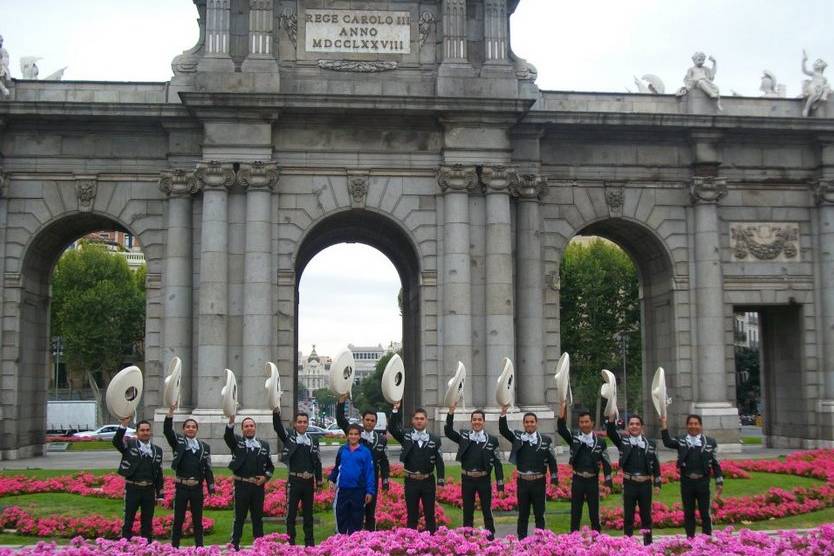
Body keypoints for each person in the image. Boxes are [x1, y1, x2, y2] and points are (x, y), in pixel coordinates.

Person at [445, 403, 504, 539]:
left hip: (484, 480)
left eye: (479, 419)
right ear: (471, 421)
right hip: (467, 480)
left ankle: (490, 538)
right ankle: (467, 538)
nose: (477, 422)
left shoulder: (492, 440)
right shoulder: (464, 437)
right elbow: (448, 432)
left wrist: (500, 485)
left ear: (483, 422)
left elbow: (498, 464)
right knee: (468, 511)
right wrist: (451, 412)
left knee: (486, 510)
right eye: (474, 419)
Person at [498, 405, 558, 539]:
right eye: (527, 422)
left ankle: (540, 541)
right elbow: (503, 430)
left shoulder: (546, 440)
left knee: (539, 514)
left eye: (532, 422)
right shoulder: (518, 437)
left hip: (539, 482)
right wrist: (503, 413)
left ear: (536, 423)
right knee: (523, 515)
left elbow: (552, 461)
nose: (529, 424)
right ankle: (522, 542)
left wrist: (554, 479)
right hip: (523, 482)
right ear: (523, 424)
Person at [661, 414, 723, 538]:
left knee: (705, 513)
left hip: (703, 482)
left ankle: (706, 541)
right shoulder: (681, 440)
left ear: (700, 426)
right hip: (687, 482)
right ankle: (690, 539)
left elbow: (716, 464)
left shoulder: (710, 442)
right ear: (687, 426)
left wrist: (719, 482)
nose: (693, 426)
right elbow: (667, 442)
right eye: (690, 424)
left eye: (696, 424)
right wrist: (663, 424)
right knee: (688, 513)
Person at [163, 402, 215, 548]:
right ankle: (175, 547)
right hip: (182, 487)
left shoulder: (204, 447)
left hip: (197, 488)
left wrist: (211, 487)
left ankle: (200, 547)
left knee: (198, 520)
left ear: (197, 430)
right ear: (184, 429)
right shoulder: (178, 442)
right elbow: (167, 431)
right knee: (178, 519)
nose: (190, 429)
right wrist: (170, 413)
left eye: (193, 427)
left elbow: (208, 467)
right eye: (188, 427)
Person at [388, 401, 445, 532]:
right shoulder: (406, 436)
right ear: (412, 421)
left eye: (422, 419)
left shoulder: (435, 439)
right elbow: (392, 428)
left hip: (428, 481)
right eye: (416, 419)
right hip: (411, 481)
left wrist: (440, 481)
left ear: (426, 421)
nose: (419, 421)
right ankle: (412, 542)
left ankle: (431, 541)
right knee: (412, 515)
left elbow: (439, 462)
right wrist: (395, 410)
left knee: (430, 514)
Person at [336, 394, 390, 530]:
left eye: (372, 420)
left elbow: (384, 461)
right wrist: (341, 402)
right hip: (355, 482)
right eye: (367, 420)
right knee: (355, 513)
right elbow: (341, 421)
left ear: (376, 422)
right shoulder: (355, 434)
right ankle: (354, 539)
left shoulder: (381, 440)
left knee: (370, 513)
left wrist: (385, 481)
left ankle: (370, 541)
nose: (369, 422)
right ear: (362, 420)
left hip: (371, 480)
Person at [558, 401, 613, 532]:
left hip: (593, 481)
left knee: (594, 514)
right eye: (581, 422)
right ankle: (573, 541)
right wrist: (562, 408)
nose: (584, 424)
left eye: (586, 422)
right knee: (575, 513)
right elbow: (561, 429)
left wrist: (608, 482)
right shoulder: (574, 438)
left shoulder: (600, 442)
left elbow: (606, 462)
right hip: (577, 480)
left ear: (592, 423)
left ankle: (597, 541)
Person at [606, 414, 661, 545]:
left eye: (637, 424)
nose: (634, 426)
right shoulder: (623, 441)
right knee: (628, 517)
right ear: (627, 427)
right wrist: (611, 419)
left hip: (645, 485)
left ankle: (648, 545)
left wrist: (657, 482)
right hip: (629, 484)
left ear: (642, 427)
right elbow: (611, 432)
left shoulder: (650, 444)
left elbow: (656, 464)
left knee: (646, 517)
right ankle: (628, 545)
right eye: (631, 424)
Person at [274, 408, 323, 547]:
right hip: (294, 482)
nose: (302, 424)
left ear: (307, 424)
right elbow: (278, 428)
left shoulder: (313, 441)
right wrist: (276, 413)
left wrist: (319, 482)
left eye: (304, 422)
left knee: (308, 516)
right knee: (291, 515)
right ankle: (291, 543)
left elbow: (318, 462)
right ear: (295, 424)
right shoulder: (289, 438)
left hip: (309, 483)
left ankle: (310, 543)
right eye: (299, 422)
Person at [225, 415, 274, 551]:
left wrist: (265, 477)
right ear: (242, 429)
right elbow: (228, 436)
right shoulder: (237, 443)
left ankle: (259, 545)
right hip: (242, 486)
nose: (249, 428)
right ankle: (234, 545)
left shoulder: (264, 445)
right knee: (239, 517)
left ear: (255, 428)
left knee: (257, 518)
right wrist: (231, 422)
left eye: (251, 425)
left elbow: (270, 467)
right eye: (246, 426)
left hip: (258, 487)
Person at [112, 416, 163, 543]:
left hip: (149, 490)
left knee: (147, 522)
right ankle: (125, 547)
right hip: (132, 488)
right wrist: (123, 425)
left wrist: (160, 494)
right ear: (137, 432)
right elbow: (116, 442)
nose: (145, 433)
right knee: (128, 520)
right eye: (142, 430)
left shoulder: (157, 450)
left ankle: (147, 548)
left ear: (150, 432)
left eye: (147, 430)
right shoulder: (129, 444)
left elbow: (159, 473)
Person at [328, 424, 377, 535]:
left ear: (360, 436)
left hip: (358, 491)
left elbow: (369, 473)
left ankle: (354, 546)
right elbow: (337, 468)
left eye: (356, 434)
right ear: (347, 436)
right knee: (341, 518)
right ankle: (341, 544)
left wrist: (370, 491)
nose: (353, 436)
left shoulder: (365, 452)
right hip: (343, 490)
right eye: (351, 434)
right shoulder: (342, 450)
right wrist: (332, 479)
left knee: (356, 519)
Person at [801, 49, 831, 117]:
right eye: (816, 63)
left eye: (818, 64)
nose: (816, 64)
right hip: (813, 86)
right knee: (813, 94)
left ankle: (822, 98)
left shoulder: (823, 77)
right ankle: (806, 109)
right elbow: (804, 70)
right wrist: (804, 61)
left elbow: (825, 64)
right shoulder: (814, 73)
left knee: (827, 87)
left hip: (820, 88)